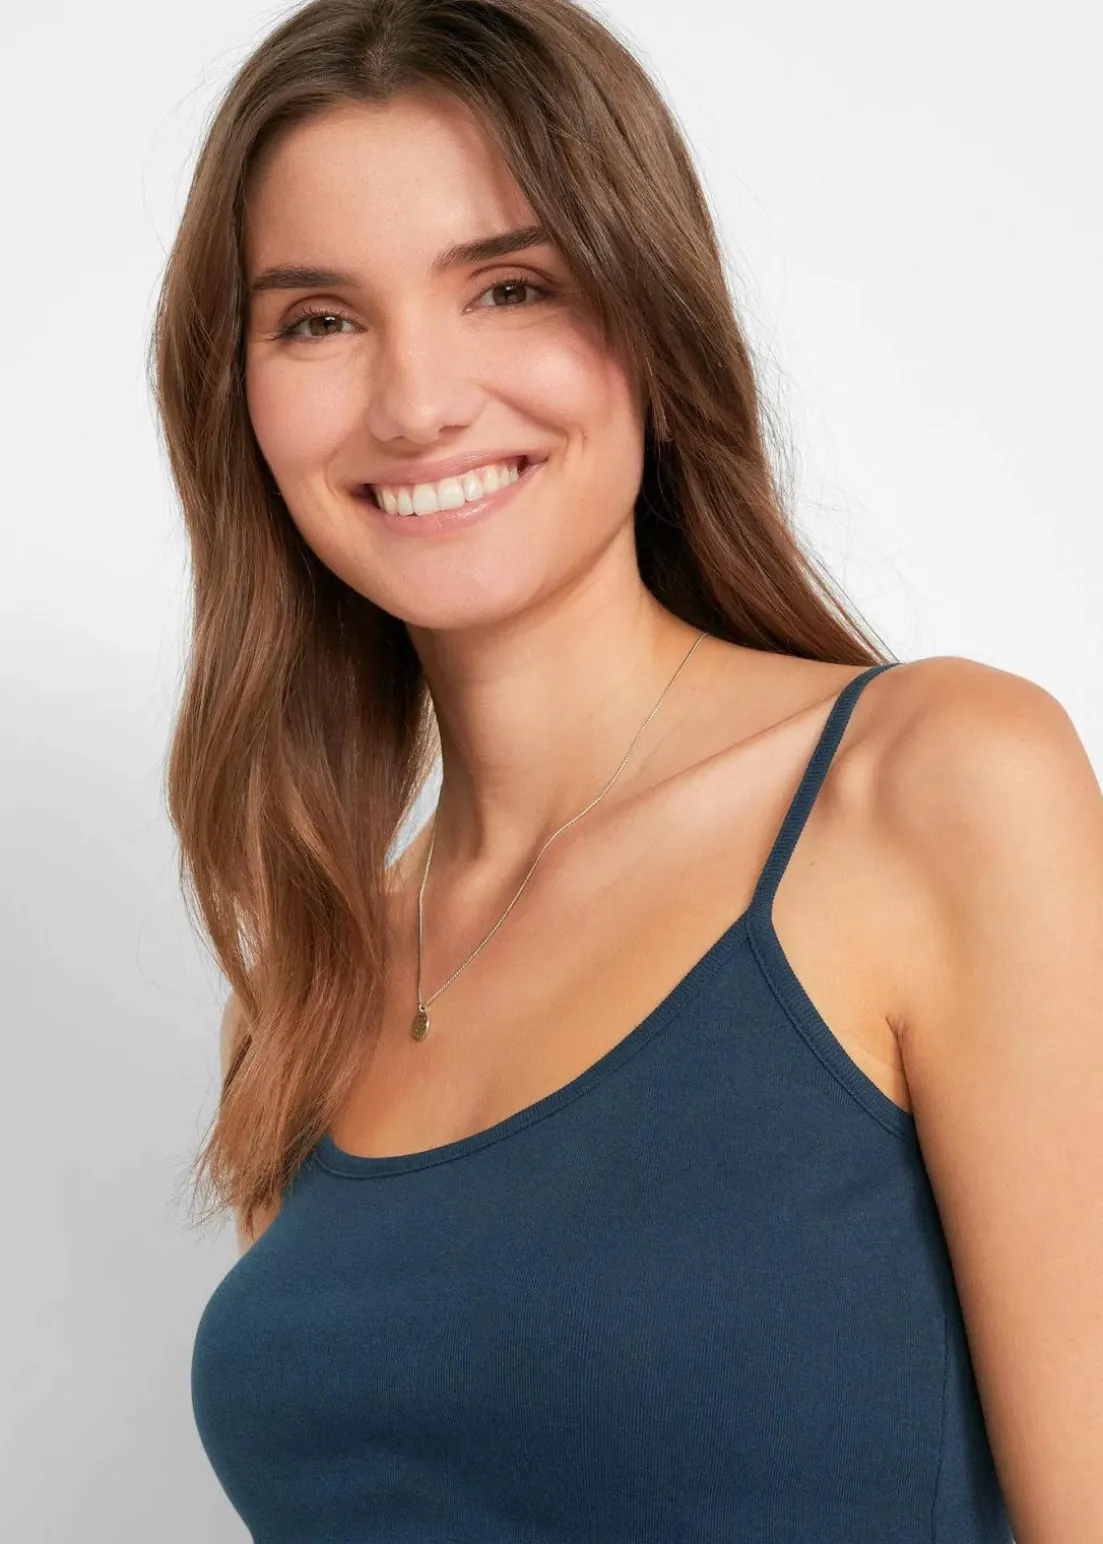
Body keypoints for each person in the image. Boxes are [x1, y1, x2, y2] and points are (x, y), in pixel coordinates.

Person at [152, 1, 1102, 1539]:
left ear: (652, 320)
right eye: (318, 320)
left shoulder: (933, 788)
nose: (416, 402)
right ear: (239, 393)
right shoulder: (312, 982)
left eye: (508, 286)